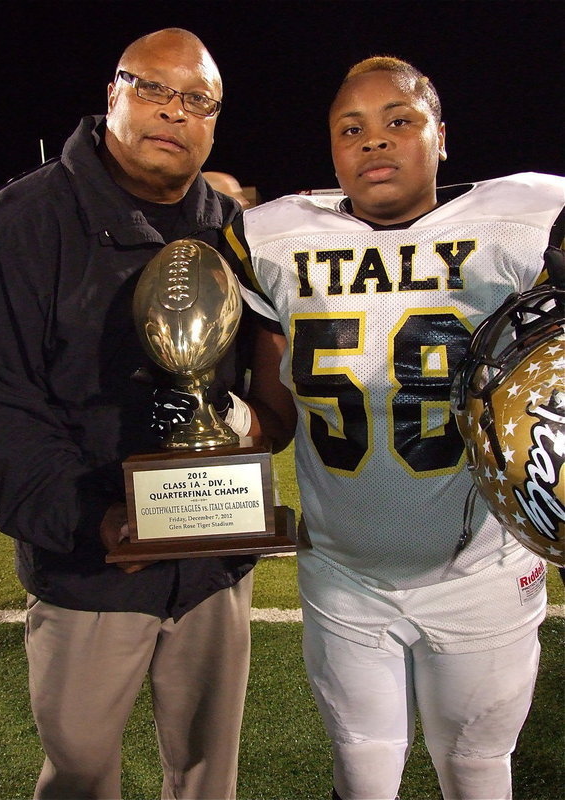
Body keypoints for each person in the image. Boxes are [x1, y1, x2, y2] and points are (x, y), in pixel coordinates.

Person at [220, 57, 565, 800]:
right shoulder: (272, 240)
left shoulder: (527, 219)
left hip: (482, 570)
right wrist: (227, 419)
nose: (374, 141)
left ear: (441, 137)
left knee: (476, 773)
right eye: (352, 129)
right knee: (361, 770)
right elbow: (275, 415)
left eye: (398, 121)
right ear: (332, 148)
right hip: (344, 572)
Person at [0, 28, 258, 800]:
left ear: (214, 122)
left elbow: (256, 373)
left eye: (197, 99)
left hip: (213, 557)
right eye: (151, 88)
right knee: (82, 769)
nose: (172, 112)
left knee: (207, 773)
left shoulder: (228, 222)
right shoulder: (21, 223)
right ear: (112, 94)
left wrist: (258, 429)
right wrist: (90, 521)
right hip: (91, 565)